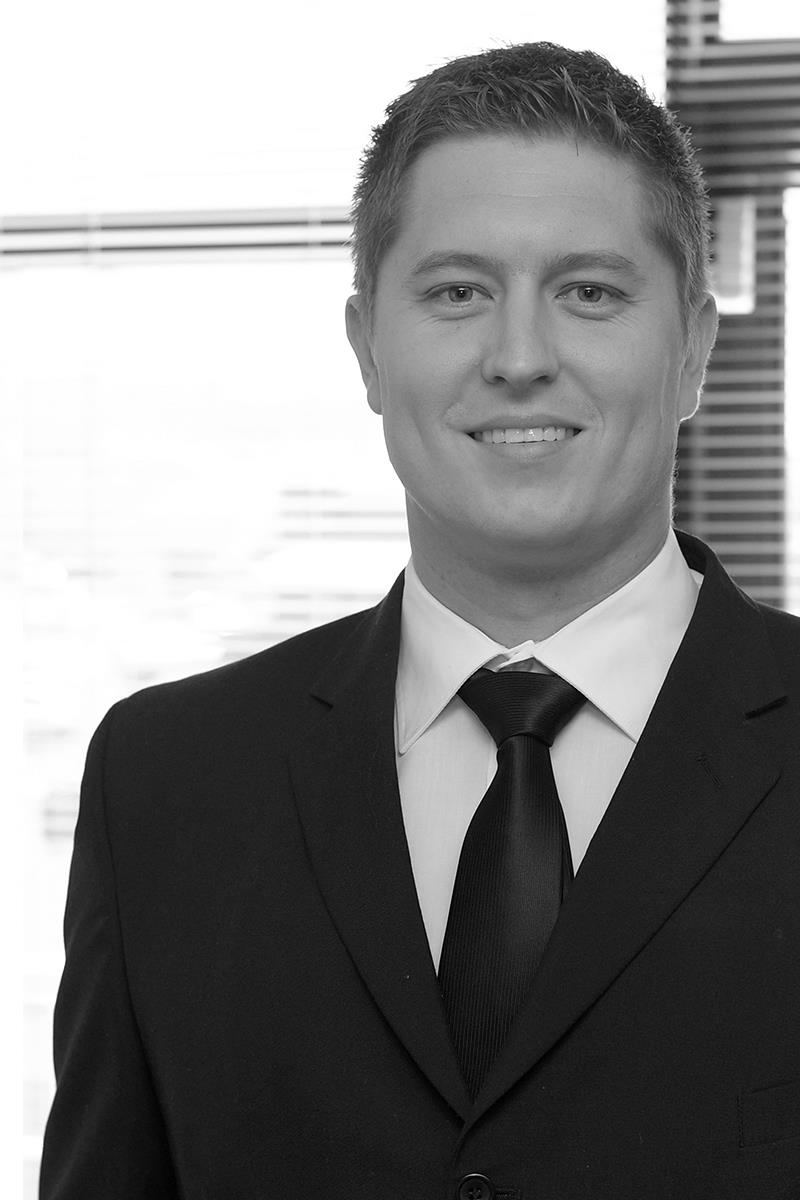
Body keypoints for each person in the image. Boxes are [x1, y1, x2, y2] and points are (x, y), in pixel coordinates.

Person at [40, 42, 800, 1200]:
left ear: (693, 347)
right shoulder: (166, 786)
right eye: (456, 293)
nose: (518, 358)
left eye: (588, 292)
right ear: (365, 348)